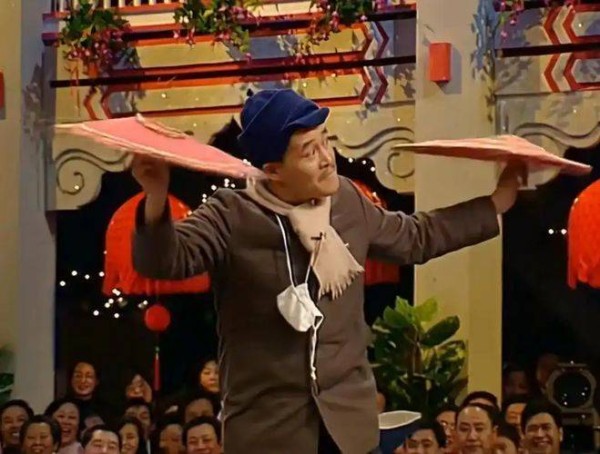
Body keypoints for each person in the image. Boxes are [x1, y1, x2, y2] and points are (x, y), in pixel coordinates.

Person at [131, 88, 525, 453]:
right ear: (273, 170)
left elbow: (415, 237)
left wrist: (496, 203)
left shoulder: (347, 201)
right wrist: (156, 197)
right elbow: (164, 261)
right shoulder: (231, 215)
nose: (326, 158)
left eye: (326, 141)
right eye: (309, 151)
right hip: (268, 433)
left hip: (348, 430)